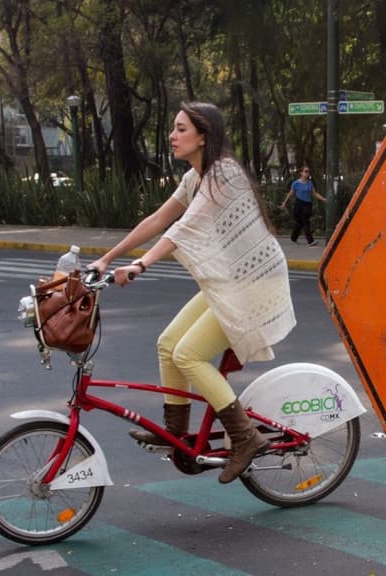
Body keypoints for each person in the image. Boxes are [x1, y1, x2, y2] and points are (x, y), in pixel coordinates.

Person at [88, 101, 297, 484]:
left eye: (181, 129)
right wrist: (106, 259)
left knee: (189, 354)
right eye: (173, 128)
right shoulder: (194, 178)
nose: (172, 135)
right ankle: (178, 433)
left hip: (253, 282)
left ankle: (245, 437)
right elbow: (158, 220)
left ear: (203, 136)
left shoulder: (224, 174)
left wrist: (140, 264)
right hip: (228, 280)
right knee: (168, 344)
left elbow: (182, 231)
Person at [280, 165, 327, 246]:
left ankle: (301, 239)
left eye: (308, 171)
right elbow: (291, 193)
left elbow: (315, 194)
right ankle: (303, 240)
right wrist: (284, 203)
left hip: (308, 204)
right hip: (299, 204)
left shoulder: (310, 183)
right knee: (301, 222)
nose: (307, 173)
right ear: (301, 173)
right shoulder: (296, 183)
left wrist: (324, 199)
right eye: (305, 171)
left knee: (305, 221)